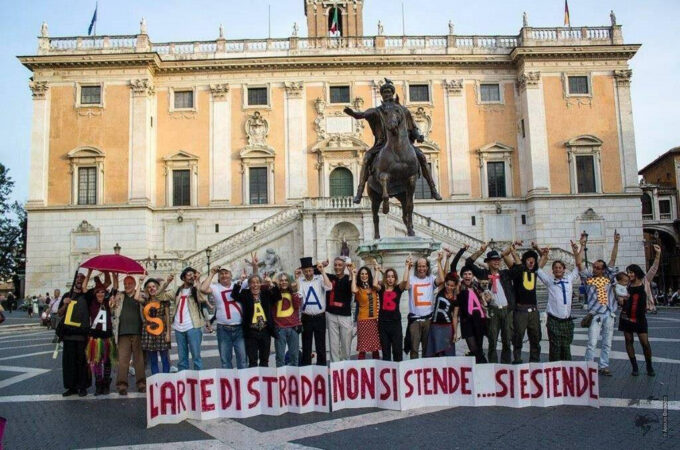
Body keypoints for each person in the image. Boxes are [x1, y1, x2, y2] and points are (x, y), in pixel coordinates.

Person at [344, 78, 442, 203]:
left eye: (389, 92)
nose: (387, 95)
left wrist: (418, 136)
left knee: (422, 157)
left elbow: (412, 126)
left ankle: (433, 189)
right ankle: (359, 192)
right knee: (367, 157)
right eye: (384, 93)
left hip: (403, 144)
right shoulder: (378, 111)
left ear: (392, 93)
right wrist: (353, 114)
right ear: (382, 95)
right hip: (383, 144)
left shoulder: (403, 110)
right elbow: (362, 114)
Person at [578, 231, 621, 376]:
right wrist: (581, 245)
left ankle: (603, 365)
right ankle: (589, 366)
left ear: (603, 270)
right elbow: (579, 264)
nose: (594, 269)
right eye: (594, 266)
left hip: (608, 313)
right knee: (592, 342)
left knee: (607, 342)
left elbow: (613, 259)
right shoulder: (588, 278)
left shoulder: (608, 277)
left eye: (597, 267)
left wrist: (616, 243)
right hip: (595, 314)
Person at [465, 243, 515, 364]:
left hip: (507, 310)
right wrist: (480, 251)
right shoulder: (483, 274)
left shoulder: (505, 274)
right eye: (494, 260)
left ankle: (506, 365)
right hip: (493, 310)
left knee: (507, 341)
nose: (497, 262)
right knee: (492, 340)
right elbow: (468, 263)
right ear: (488, 262)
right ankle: (493, 365)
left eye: (498, 260)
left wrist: (510, 252)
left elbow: (517, 269)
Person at [536, 241, 581, 361]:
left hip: (567, 320)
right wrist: (543, 255)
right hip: (554, 320)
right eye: (555, 268)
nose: (557, 270)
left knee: (566, 348)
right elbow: (538, 269)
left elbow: (579, 265)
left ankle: (566, 373)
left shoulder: (570, 279)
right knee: (555, 348)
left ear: (564, 269)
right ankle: (554, 371)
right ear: (552, 270)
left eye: (560, 267)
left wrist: (577, 249)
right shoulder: (549, 281)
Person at [200, 267, 246, 369]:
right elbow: (203, 289)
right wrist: (212, 273)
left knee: (242, 360)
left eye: (226, 273)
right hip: (223, 329)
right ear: (219, 277)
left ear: (231, 275)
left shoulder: (237, 284)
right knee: (225, 361)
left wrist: (255, 267)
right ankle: (228, 383)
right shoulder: (216, 287)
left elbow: (253, 282)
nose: (224, 275)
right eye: (221, 274)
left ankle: (242, 383)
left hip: (239, 328)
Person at [57, 271, 93, 397]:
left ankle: (82, 386)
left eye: (81, 279)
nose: (79, 280)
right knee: (69, 363)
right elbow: (60, 313)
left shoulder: (87, 295)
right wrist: (65, 304)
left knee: (82, 362)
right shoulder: (67, 295)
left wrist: (89, 273)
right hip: (68, 335)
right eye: (77, 278)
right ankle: (71, 387)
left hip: (82, 335)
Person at [505, 243, 542, 364]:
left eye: (533, 260)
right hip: (520, 310)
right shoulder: (518, 270)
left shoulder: (535, 271)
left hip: (534, 310)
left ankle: (535, 361)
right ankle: (517, 360)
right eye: (528, 260)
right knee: (518, 337)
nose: (531, 262)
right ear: (524, 261)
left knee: (536, 338)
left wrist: (537, 248)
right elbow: (504, 255)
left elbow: (545, 256)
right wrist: (512, 249)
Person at [110, 273, 146, 395]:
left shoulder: (141, 294)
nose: (127, 286)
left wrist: (141, 282)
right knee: (123, 360)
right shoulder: (120, 295)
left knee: (139, 360)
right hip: (122, 332)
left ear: (135, 284)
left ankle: (141, 384)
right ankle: (122, 385)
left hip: (138, 332)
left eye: (130, 283)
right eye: (125, 284)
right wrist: (112, 303)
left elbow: (141, 300)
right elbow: (113, 305)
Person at [404, 253, 444, 359]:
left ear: (427, 267)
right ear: (416, 267)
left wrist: (439, 262)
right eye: (419, 266)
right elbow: (406, 285)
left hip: (428, 320)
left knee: (427, 349)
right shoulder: (412, 279)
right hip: (415, 320)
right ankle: (414, 371)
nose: (421, 268)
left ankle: (426, 371)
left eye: (424, 266)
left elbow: (442, 280)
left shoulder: (431, 279)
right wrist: (407, 267)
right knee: (414, 348)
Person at [233, 273, 277, 367]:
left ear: (261, 284)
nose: (255, 285)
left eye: (257, 282)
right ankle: (254, 380)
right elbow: (234, 295)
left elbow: (277, 297)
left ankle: (265, 380)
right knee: (252, 361)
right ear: (249, 285)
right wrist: (240, 282)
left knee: (264, 360)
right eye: (252, 283)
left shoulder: (266, 293)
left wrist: (271, 284)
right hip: (251, 332)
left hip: (265, 331)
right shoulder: (245, 294)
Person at [620, 263, 657, 376]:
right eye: (628, 272)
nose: (629, 274)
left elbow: (654, 268)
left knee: (645, 343)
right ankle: (634, 367)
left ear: (636, 272)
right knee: (628, 340)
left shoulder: (645, 281)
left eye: (631, 272)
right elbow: (618, 295)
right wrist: (620, 299)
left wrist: (658, 255)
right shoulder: (626, 285)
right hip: (626, 316)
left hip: (640, 316)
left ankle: (649, 365)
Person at [84, 272, 116, 396]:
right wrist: (89, 272)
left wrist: (112, 273)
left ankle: (106, 384)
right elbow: (85, 288)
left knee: (107, 361)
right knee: (96, 361)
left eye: (102, 292)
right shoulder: (91, 302)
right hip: (95, 337)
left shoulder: (108, 302)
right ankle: (98, 384)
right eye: (98, 292)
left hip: (107, 336)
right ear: (95, 293)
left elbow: (115, 286)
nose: (100, 294)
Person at [171, 267, 209, 372]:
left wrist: (197, 281)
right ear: (183, 277)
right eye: (189, 275)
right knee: (182, 358)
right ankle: (184, 380)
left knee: (196, 356)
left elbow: (202, 299)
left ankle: (199, 378)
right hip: (179, 327)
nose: (191, 276)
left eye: (193, 274)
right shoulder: (177, 290)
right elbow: (161, 295)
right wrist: (166, 282)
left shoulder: (196, 288)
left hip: (193, 327)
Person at [297, 257, 332, 366]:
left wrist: (322, 271)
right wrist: (297, 279)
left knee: (320, 345)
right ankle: (306, 369)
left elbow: (329, 287)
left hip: (319, 317)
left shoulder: (320, 278)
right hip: (306, 317)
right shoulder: (300, 281)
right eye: (305, 271)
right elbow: (299, 295)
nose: (308, 273)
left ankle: (321, 368)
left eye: (310, 270)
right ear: (303, 271)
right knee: (306, 345)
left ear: (313, 270)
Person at [454, 266, 488, 363]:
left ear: (473, 276)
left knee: (479, 349)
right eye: (465, 274)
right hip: (467, 322)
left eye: (469, 274)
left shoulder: (477, 287)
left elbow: (485, 301)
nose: (467, 276)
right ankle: (484, 365)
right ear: (462, 276)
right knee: (474, 349)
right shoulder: (459, 287)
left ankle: (481, 369)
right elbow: (453, 267)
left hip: (479, 321)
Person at [141, 276, 174, 375]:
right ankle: (156, 381)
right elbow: (136, 297)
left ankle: (165, 380)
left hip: (162, 332)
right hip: (149, 333)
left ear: (158, 288)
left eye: (154, 286)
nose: (151, 289)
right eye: (149, 287)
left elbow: (168, 317)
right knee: (153, 360)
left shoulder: (164, 300)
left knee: (164, 358)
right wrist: (140, 282)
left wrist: (168, 333)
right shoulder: (145, 301)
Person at [325, 257, 354, 362]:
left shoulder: (348, 278)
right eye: (335, 265)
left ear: (344, 266)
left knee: (346, 345)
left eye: (340, 265)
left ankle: (345, 367)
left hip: (345, 316)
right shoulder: (330, 277)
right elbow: (313, 271)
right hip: (331, 314)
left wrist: (351, 272)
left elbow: (353, 288)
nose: (337, 267)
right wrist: (323, 265)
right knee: (333, 345)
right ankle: (335, 369)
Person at [376, 265, 407, 362]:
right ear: (385, 278)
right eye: (388, 276)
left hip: (395, 324)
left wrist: (406, 266)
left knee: (397, 351)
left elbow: (405, 281)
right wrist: (377, 270)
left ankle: (398, 373)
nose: (390, 279)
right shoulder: (381, 290)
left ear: (395, 278)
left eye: (392, 276)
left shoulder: (398, 289)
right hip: (383, 324)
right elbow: (373, 284)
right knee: (386, 352)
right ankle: (387, 374)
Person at [271, 272, 302, 367]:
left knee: (294, 357)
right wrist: (274, 284)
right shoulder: (274, 293)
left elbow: (297, 306)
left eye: (286, 280)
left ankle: (294, 379)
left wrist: (294, 291)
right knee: (280, 358)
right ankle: (281, 380)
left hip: (293, 328)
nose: (284, 282)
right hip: (280, 328)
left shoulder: (293, 292)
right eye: (281, 280)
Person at [351, 265, 381, 359]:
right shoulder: (359, 288)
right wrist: (353, 275)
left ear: (369, 275)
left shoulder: (374, 287)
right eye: (362, 274)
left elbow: (376, 284)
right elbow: (353, 290)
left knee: (375, 348)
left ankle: (377, 369)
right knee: (362, 348)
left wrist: (377, 271)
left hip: (374, 320)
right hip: (363, 320)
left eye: (366, 274)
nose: (364, 276)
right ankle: (362, 369)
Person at [427, 270, 459, 358]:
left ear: (455, 286)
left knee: (447, 352)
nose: (449, 287)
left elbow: (455, 316)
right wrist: (443, 259)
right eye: (448, 284)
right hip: (435, 326)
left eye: (452, 286)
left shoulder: (456, 298)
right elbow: (442, 275)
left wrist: (455, 332)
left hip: (447, 327)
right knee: (434, 352)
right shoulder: (441, 290)